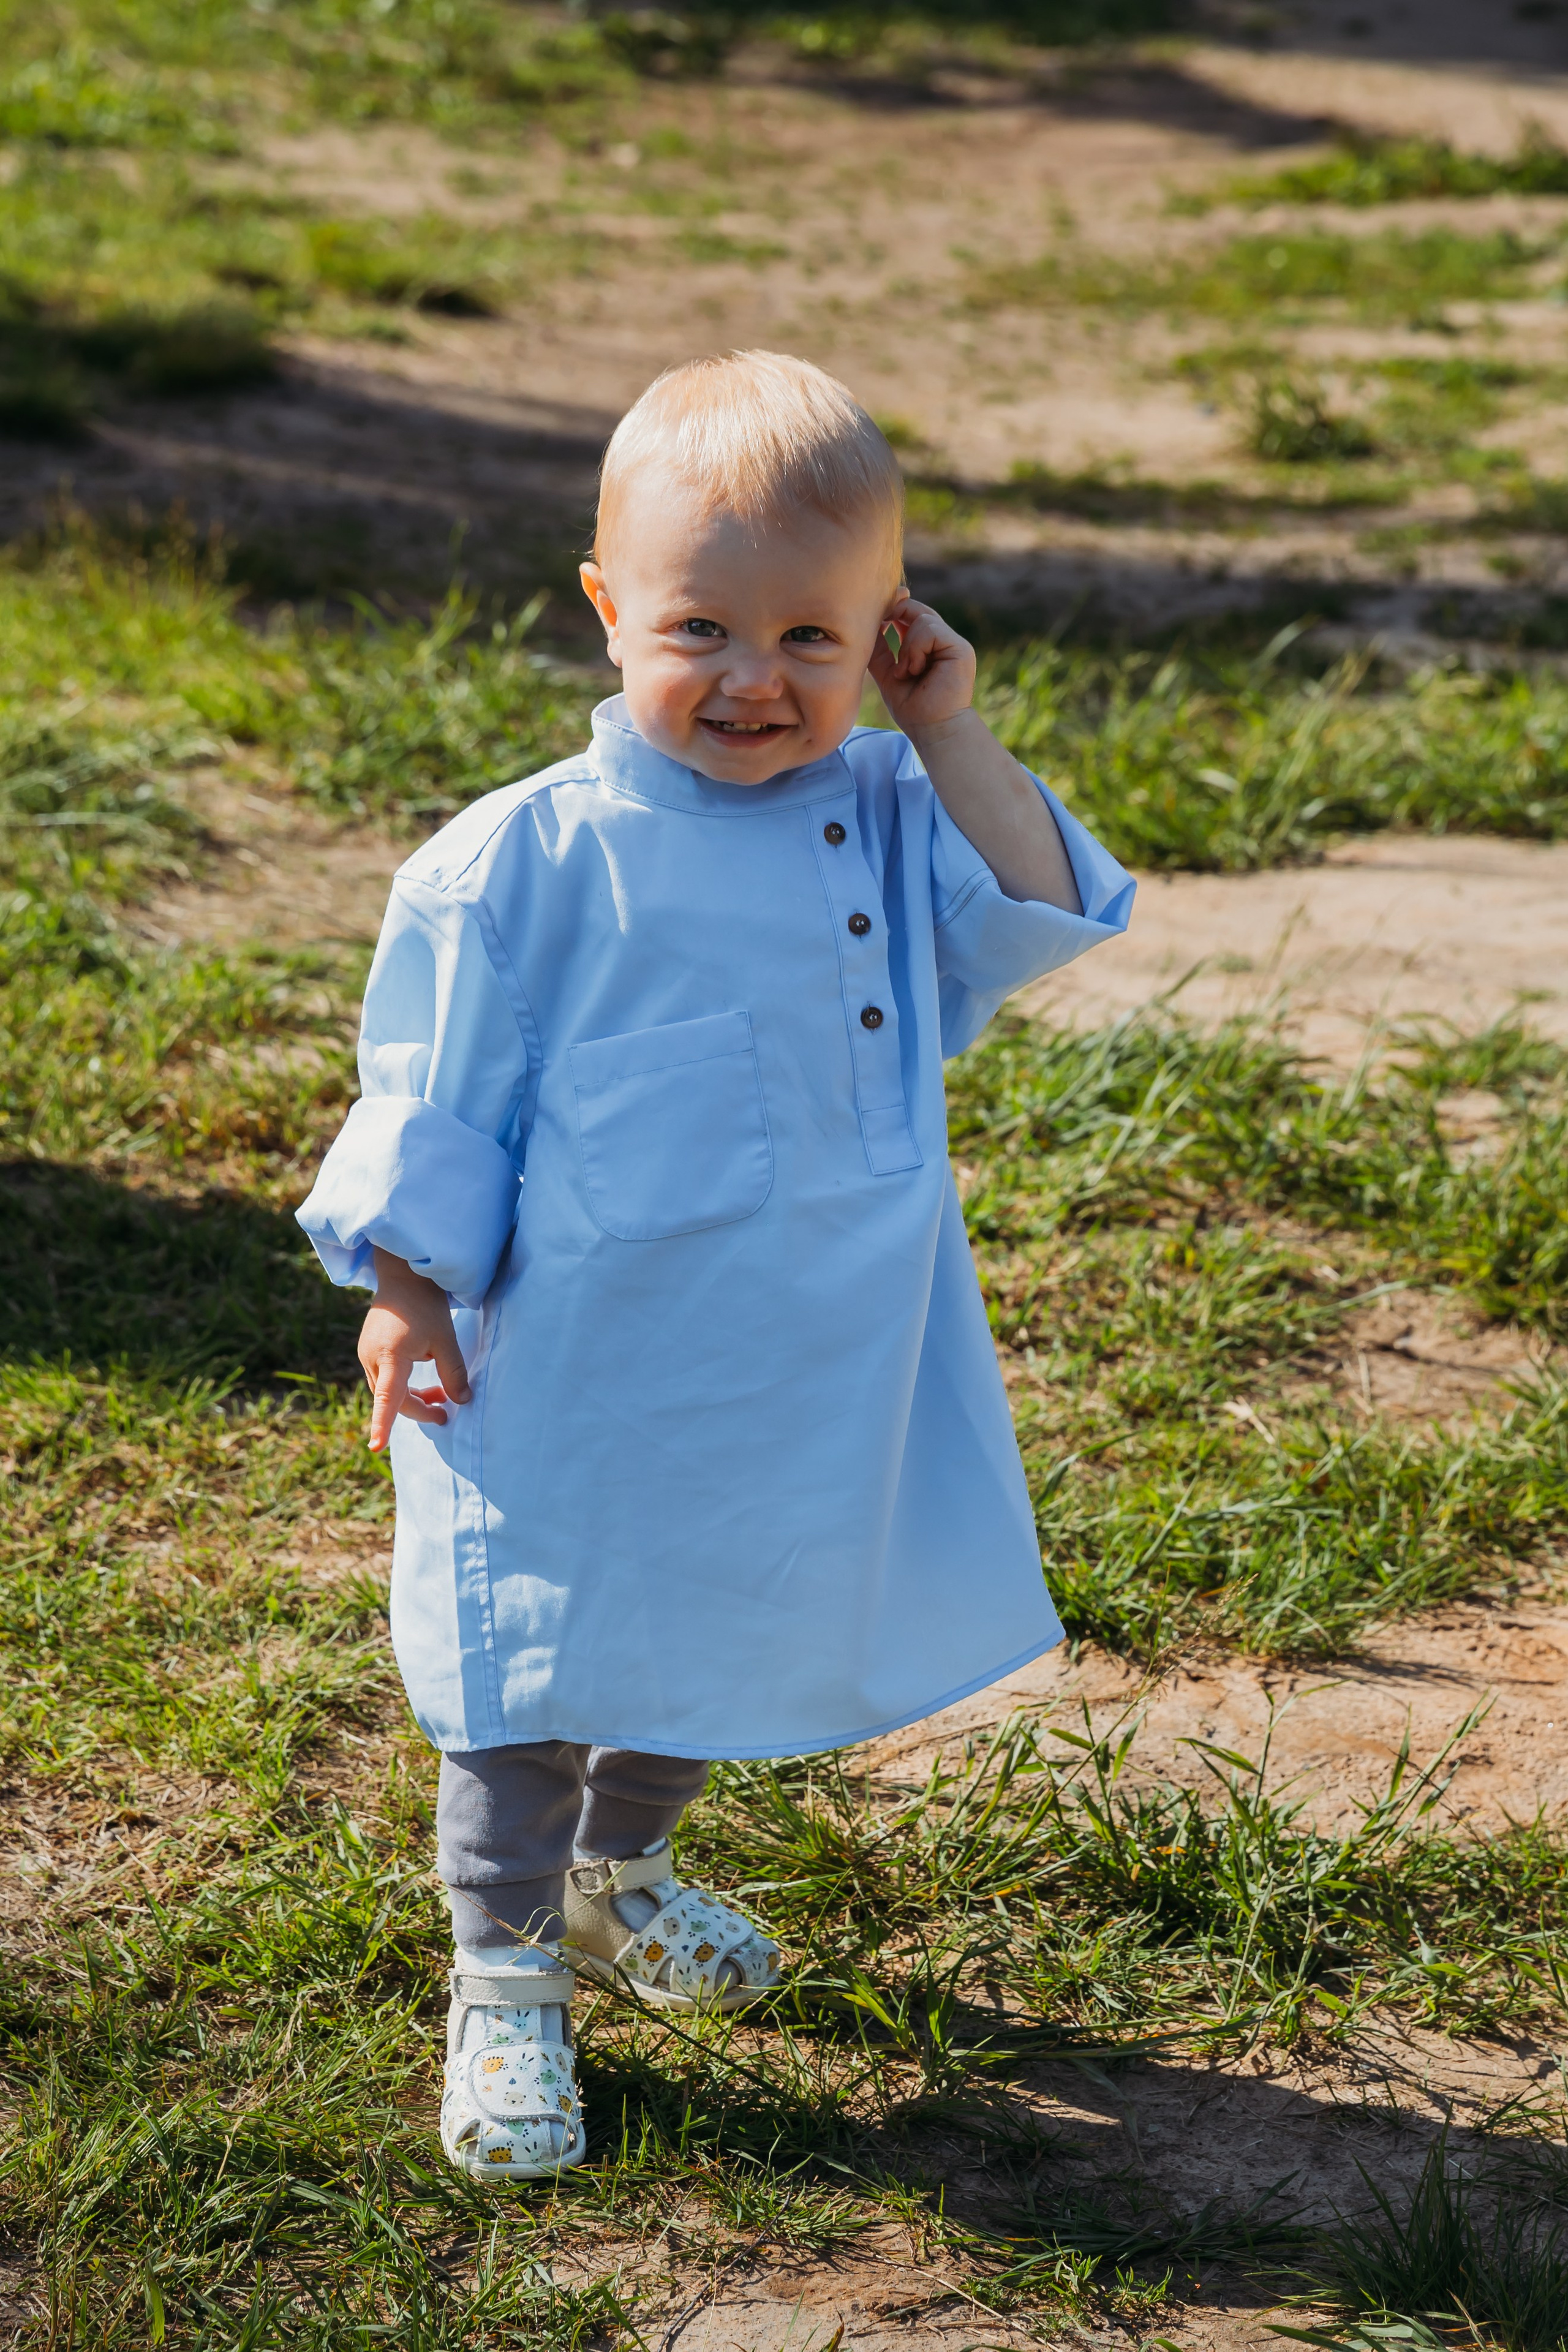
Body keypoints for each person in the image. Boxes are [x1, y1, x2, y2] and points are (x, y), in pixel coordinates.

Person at [296, 350, 1135, 2180]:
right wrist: (407, 1289)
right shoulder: (515, 863)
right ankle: (506, 1983)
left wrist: (947, 731)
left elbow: (1049, 907)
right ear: (606, 611)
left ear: (886, 637)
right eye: (701, 630)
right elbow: (428, 1092)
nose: (756, 682)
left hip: (808, 1351)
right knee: (532, 1667)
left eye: (812, 641)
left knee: (728, 1627)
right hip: (573, 1357)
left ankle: (623, 1874)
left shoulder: (897, 820)